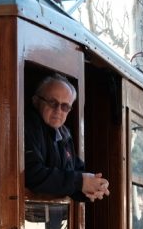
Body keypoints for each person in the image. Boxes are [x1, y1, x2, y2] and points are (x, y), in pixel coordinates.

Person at [24, 73, 109, 202]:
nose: (58, 110)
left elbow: (74, 172)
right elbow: (32, 175)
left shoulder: (64, 134)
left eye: (65, 106)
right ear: (36, 101)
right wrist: (80, 181)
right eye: (52, 102)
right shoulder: (27, 126)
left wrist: (96, 186)